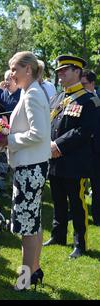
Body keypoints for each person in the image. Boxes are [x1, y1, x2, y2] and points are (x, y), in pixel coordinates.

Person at [0, 51, 51, 290]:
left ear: (27, 70)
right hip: (32, 165)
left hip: (31, 167)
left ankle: (24, 279)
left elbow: (38, 134)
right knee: (34, 221)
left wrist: (8, 139)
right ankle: (35, 269)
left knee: (27, 227)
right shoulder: (28, 91)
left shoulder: (31, 94)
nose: (11, 73)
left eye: (14, 68)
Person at [43, 55, 98, 259]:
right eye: (58, 71)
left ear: (77, 72)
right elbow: (49, 125)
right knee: (58, 200)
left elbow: (86, 130)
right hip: (54, 159)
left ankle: (80, 243)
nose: (60, 73)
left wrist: (58, 144)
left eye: (65, 70)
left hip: (75, 160)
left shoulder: (89, 99)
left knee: (77, 203)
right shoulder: (56, 98)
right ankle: (58, 236)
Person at [81, 70, 100, 226]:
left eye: (84, 84)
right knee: (77, 186)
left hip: (96, 150)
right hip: (81, 150)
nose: (82, 87)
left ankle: (97, 215)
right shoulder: (78, 100)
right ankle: (75, 213)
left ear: (92, 83)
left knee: (97, 184)